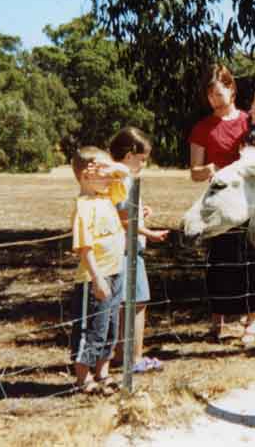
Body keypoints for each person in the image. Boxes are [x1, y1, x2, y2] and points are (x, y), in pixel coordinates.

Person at [189, 63, 255, 345]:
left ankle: (253, 322)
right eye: (210, 94)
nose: (214, 99)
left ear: (232, 89)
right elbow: (193, 172)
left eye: (219, 92)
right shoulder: (202, 128)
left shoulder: (251, 121)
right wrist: (208, 170)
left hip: (250, 200)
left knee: (254, 258)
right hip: (220, 203)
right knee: (219, 260)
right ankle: (218, 321)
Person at [108, 126, 169, 373]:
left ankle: (121, 354)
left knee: (125, 303)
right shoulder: (122, 181)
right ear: (129, 153)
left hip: (122, 249)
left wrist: (141, 213)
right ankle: (134, 358)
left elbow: (126, 213)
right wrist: (149, 233)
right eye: (142, 159)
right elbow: (124, 219)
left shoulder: (119, 179)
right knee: (138, 302)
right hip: (128, 250)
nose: (144, 164)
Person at [68, 146, 127, 395]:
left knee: (110, 328)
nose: (109, 177)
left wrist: (110, 169)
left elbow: (125, 174)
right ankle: (84, 379)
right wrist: (97, 278)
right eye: (102, 171)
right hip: (96, 278)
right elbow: (85, 247)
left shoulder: (107, 196)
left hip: (116, 273)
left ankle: (103, 373)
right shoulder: (83, 206)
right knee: (91, 329)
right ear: (86, 175)